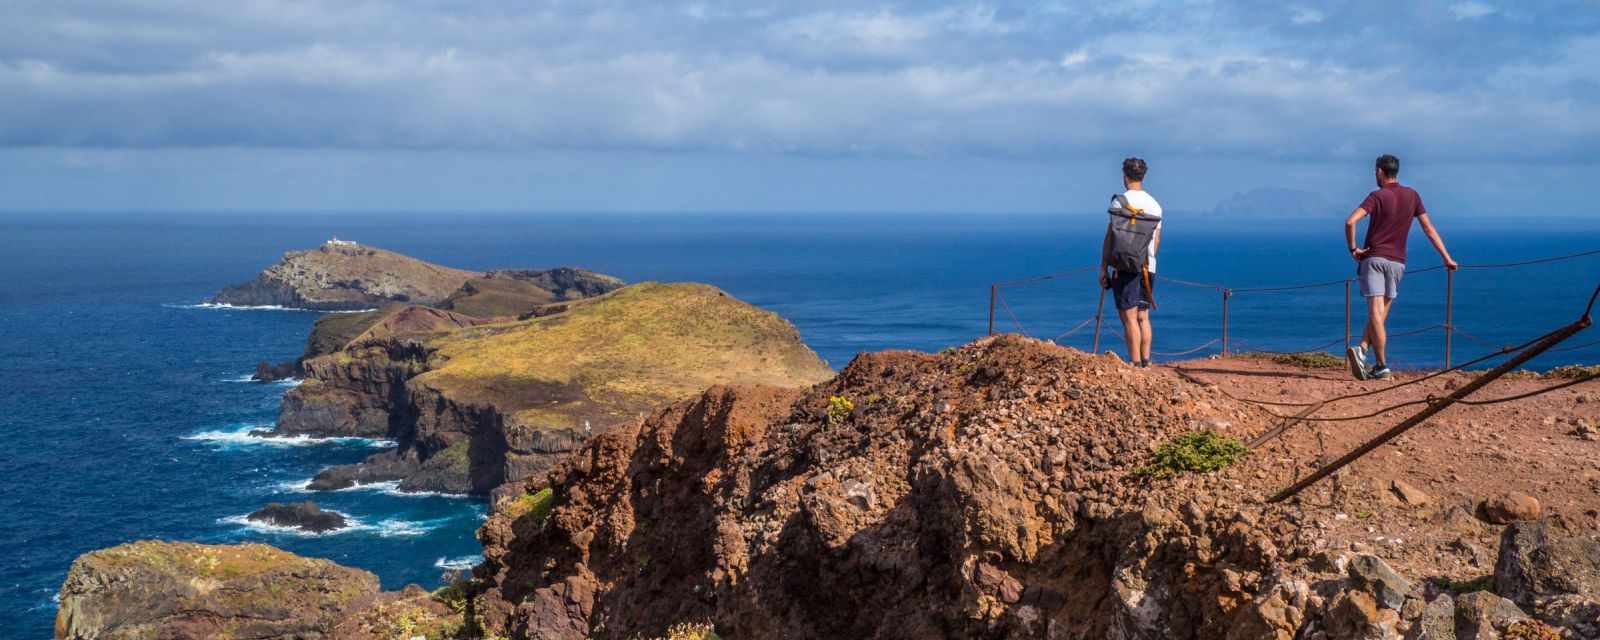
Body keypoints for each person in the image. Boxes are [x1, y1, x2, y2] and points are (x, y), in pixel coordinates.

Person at [1344, 154, 1458, 380]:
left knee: (1375, 313)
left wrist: (1353, 249)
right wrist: (1446, 257)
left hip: (1374, 259)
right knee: (1380, 314)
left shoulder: (1376, 196)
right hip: (1398, 263)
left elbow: (1350, 221)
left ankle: (1382, 365)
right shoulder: (1412, 195)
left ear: (1379, 171)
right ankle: (1363, 351)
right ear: (1396, 171)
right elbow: (1429, 229)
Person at [1100, 157, 1163, 368]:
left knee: (1129, 317)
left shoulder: (1119, 202)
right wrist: (1149, 258)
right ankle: (1146, 361)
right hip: (1148, 265)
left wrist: (1104, 267)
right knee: (1143, 316)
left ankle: (1134, 364)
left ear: (1124, 175)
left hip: (1125, 266)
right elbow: (1156, 241)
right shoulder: (1155, 205)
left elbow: (1111, 237)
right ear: (1143, 176)